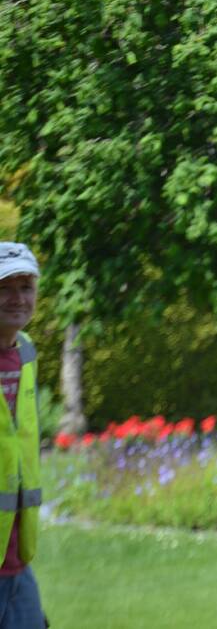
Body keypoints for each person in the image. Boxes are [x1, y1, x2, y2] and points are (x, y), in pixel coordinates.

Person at [0, 242, 46, 628]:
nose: (17, 298)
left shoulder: (27, 354)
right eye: (5, 288)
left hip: (16, 559)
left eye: (26, 287)